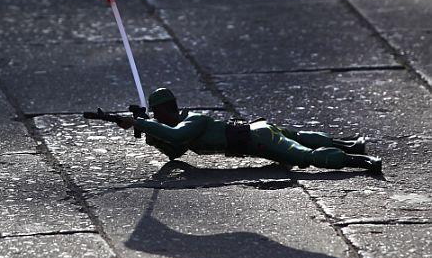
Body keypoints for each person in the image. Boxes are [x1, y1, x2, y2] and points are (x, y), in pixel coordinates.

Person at [98, 88, 382, 173]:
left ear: (165, 110)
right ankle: (351, 144)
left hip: (255, 137)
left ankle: (358, 161)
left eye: (157, 114)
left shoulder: (191, 119)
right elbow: (173, 152)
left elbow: (177, 137)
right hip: (255, 135)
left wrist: (140, 123)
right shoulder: (175, 126)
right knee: (299, 137)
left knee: (304, 156)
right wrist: (150, 133)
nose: (156, 117)